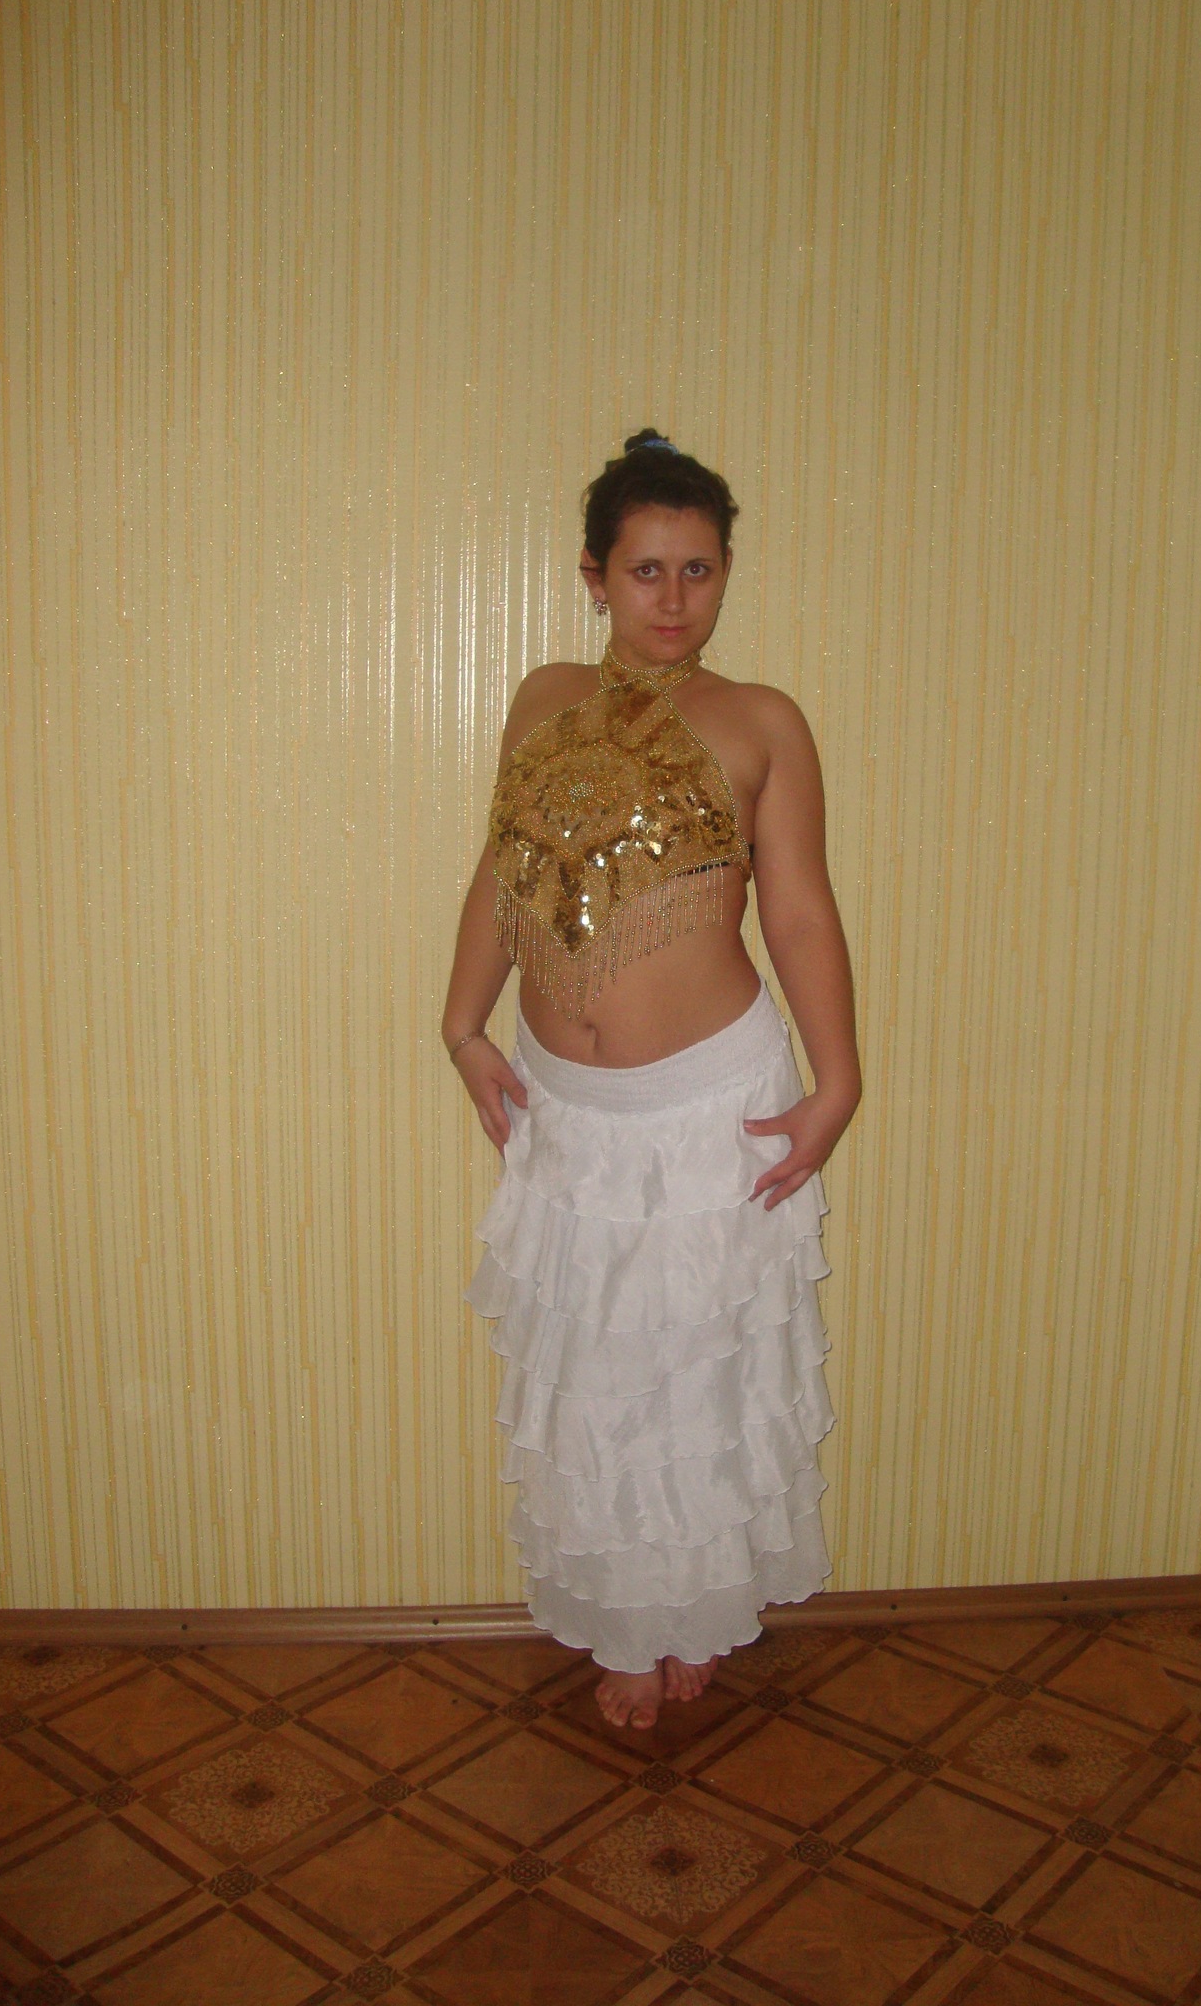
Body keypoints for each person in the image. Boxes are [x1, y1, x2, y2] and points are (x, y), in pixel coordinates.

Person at [442, 429, 861, 1731]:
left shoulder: (762, 721)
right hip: (568, 1111)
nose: (674, 599)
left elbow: (799, 912)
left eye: (699, 569)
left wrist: (839, 1081)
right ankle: (629, 1618)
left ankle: (690, 1615)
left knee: (697, 1378)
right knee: (595, 1384)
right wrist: (460, 1024)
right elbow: (505, 872)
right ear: (594, 575)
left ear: (726, 572)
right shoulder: (540, 700)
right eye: (645, 570)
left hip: (711, 1102)